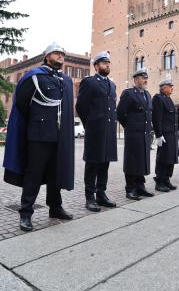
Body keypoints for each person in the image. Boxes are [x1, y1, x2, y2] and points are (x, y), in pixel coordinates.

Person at [3, 42, 74, 231]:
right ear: (47, 57)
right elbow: (22, 104)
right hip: (39, 135)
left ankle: (55, 208)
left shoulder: (64, 80)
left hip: (59, 136)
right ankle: (25, 213)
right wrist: (38, 121)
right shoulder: (34, 77)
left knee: (55, 174)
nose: (60, 56)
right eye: (56, 53)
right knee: (33, 175)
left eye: (62, 54)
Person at [76, 51, 117, 212]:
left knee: (104, 163)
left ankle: (101, 194)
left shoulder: (112, 85)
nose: (107, 65)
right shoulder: (89, 82)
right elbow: (81, 106)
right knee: (92, 164)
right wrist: (90, 124)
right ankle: (90, 197)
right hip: (95, 131)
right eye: (103, 63)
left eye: (108, 63)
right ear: (96, 66)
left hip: (108, 131)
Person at [117, 68, 154, 200]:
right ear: (136, 79)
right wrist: (129, 127)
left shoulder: (148, 94)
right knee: (132, 161)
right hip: (133, 133)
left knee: (142, 160)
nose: (145, 80)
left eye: (146, 78)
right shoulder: (129, 93)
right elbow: (120, 113)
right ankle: (131, 189)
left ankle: (141, 187)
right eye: (143, 78)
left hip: (144, 134)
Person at [152, 79, 178, 192]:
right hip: (165, 135)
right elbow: (157, 118)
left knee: (171, 158)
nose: (172, 88)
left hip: (172, 133)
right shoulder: (158, 98)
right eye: (170, 86)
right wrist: (159, 134)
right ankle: (159, 181)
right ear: (163, 87)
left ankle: (167, 179)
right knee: (163, 158)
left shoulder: (169, 99)